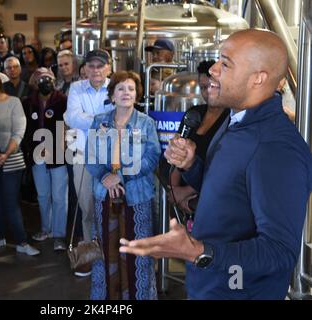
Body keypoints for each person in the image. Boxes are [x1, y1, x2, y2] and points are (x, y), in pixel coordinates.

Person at [120, 29, 312, 300]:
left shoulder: (276, 149)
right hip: (209, 284)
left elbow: (279, 252)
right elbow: (229, 191)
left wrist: (198, 251)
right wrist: (192, 166)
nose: (212, 70)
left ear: (259, 78)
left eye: (226, 63)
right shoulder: (235, 120)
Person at [86, 71, 161, 300]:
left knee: (137, 252)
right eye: (120, 88)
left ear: (137, 94)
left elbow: (152, 157)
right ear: (112, 95)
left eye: (130, 88)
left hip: (137, 196)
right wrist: (105, 177)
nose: (126, 93)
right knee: (105, 251)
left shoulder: (146, 122)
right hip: (104, 195)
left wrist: (122, 177)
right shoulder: (100, 121)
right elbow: (91, 156)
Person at [0, 67, 40, 256]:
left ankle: (22, 241)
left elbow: (19, 131)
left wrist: (5, 154)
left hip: (12, 159)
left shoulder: (14, 102)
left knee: (10, 202)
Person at [64, 49, 115, 277]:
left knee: (111, 209)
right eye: (91, 66)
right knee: (86, 208)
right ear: (84, 69)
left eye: (100, 65)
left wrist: (90, 121)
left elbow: (119, 118)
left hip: (111, 159)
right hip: (82, 157)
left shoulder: (116, 86)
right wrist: (102, 121)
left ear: (109, 67)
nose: (95, 69)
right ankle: (91, 254)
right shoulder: (75, 88)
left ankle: (111, 255)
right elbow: (72, 117)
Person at [166, 60, 229, 215]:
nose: (207, 91)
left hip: (206, 198)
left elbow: (223, 170)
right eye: (202, 87)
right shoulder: (194, 112)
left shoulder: (230, 118)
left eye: (212, 86)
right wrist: (174, 190)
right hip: (181, 198)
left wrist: (185, 192)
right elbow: (177, 147)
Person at [22, 68, 68, 251]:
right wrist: (31, 148)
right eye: (41, 79)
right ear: (35, 82)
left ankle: (59, 235)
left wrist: (62, 146)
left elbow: (67, 124)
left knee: (59, 196)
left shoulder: (62, 100)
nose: (45, 82)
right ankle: (45, 228)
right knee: (42, 195)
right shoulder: (28, 102)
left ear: (54, 81)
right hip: (36, 153)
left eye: (48, 78)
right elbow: (25, 128)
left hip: (57, 152)